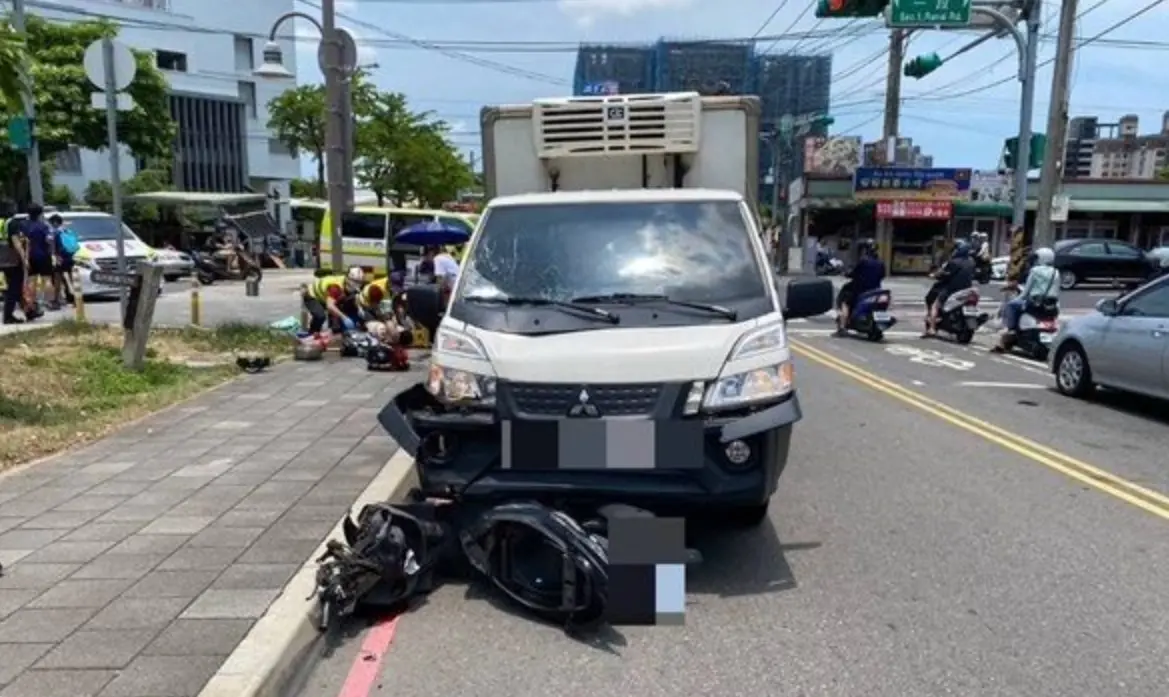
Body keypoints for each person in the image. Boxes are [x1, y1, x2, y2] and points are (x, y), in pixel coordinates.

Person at [992, 246, 1059, 353]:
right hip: (1051, 305)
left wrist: (1018, 298)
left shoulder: (1035, 270)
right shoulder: (1056, 272)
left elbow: (1026, 291)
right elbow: (1055, 291)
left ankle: (1011, 329)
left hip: (1034, 303)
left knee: (1011, 305)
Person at [923, 239, 975, 337]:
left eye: (955, 249)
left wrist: (935, 275)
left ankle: (932, 328)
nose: (953, 251)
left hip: (952, 289)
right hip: (967, 289)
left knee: (935, 305)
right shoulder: (971, 262)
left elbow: (944, 275)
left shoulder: (954, 262)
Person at [834, 238, 885, 336]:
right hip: (875, 290)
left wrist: (846, 273)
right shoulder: (880, 263)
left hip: (860, 290)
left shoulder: (863, 261)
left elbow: (854, 273)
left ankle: (842, 326)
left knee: (845, 300)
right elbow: (882, 275)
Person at [302, 266, 365, 334]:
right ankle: (313, 332)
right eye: (355, 281)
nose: (357, 284)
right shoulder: (335, 288)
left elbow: (354, 298)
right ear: (348, 279)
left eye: (359, 282)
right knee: (320, 316)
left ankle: (334, 329)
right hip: (312, 295)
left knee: (342, 309)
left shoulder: (351, 285)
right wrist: (344, 318)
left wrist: (359, 308)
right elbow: (330, 306)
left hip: (326, 297)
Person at [22, 204, 57, 311]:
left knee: (32, 280)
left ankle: (32, 303)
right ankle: (50, 302)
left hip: (30, 255)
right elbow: (50, 240)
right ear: (40, 213)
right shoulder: (44, 226)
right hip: (44, 255)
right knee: (47, 279)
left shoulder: (24, 225)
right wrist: (52, 251)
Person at [50, 214, 78, 306]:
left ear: (55, 222)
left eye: (51, 223)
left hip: (60, 259)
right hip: (69, 258)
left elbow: (53, 247)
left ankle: (56, 300)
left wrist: (54, 257)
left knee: (57, 279)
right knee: (72, 280)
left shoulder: (55, 233)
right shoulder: (68, 231)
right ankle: (76, 300)